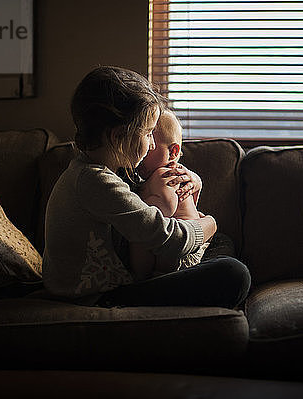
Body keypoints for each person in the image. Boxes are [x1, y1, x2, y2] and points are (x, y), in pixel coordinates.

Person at [42, 65, 250, 308]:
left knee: (222, 243)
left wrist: (195, 184)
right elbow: (169, 239)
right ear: (119, 136)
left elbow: (148, 200)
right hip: (97, 297)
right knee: (234, 274)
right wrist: (210, 223)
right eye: (149, 133)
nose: (152, 145)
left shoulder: (108, 170)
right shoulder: (94, 182)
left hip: (117, 283)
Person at [136, 109, 211, 272]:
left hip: (181, 250)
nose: (145, 148)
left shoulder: (165, 174)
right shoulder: (156, 174)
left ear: (173, 152)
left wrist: (139, 203)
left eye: (151, 145)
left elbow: (166, 205)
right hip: (182, 242)